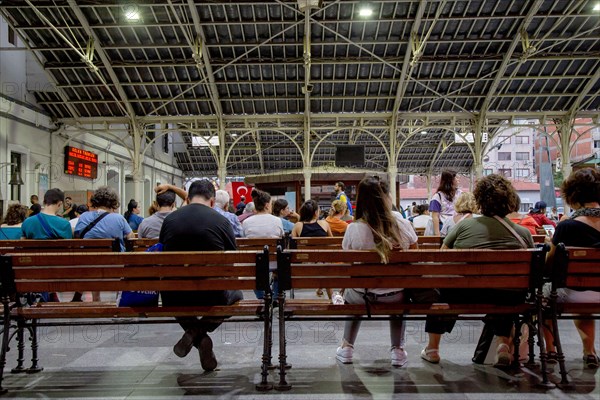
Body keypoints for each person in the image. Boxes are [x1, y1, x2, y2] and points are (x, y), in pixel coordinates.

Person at [430, 174, 534, 368]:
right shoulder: (523, 233)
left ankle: (433, 348)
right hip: (506, 296)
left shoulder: (463, 227)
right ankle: (503, 346)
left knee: (441, 292)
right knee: (508, 291)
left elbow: (442, 259)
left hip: (463, 294)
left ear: (480, 200)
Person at [159, 179, 242, 372]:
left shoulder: (170, 219)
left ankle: (194, 333)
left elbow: (162, 250)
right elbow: (232, 255)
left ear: (187, 199)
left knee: (172, 295)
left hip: (175, 294)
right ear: (212, 201)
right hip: (212, 293)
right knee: (236, 296)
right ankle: (198, 332)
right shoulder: (221, 220)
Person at [336, 177, 418, 367]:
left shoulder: (353, 229)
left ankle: (347, 348)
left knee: (352, 291)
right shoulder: (402, 224)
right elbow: (416, 258)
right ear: (387, 197)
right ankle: (397, 350)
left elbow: (347, 262)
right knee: (400, 295)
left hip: (361, 295)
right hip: (394, 295)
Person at [543, 168, 600, 368]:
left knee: (543, 295)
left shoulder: (567, 227)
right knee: (586, 296)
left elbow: (549, 267)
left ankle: (550, 351)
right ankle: (589, 351)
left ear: (572, 196)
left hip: (574, 293)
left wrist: (551, 244)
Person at [21, 188, 74, 302]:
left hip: (33, 267)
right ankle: (50, 292)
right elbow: (69, 249)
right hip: (57, 268)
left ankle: (46, 293)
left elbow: (22, 244)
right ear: (59, 203)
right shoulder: (64, 224)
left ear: (44, 202)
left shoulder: (28, 222)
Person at [75, 186, 134, 251]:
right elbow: (131, 237)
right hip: (114, 258)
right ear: (113, 203)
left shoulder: (84, 216)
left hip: (87, 258)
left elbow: (77, 235)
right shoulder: (118, 218)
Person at [429, 170, 461, 236]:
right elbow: (435, 216)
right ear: (450, 180)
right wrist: (437, 233)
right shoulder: (437, 196)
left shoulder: (461, 194)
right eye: (456, 178)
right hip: (443, 226)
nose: (459, 179)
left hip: (459, 225)